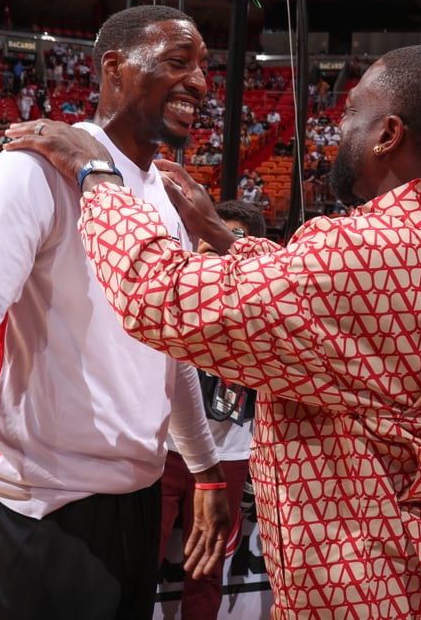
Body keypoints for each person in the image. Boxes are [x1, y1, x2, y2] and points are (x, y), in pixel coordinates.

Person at [5, 44, 421, 619]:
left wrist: (97, 177)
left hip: (370, 587)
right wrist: (220, 231)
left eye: (350, 112)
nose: (338, 126)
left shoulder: (367, 252)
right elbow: (333, 317)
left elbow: (160, 298)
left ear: (387, 134)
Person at [0, 5, 230, 620]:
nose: (200, 82)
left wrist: (203, 470)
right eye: (179, 62)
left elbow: (168, 350)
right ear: (115, 69)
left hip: (136, 502)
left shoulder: (164, 197)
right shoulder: (29, 172)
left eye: (204, 67)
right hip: (34, 509)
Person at [157, 200, 266, 619]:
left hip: (229, 456)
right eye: (210, 246)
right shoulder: (176, 294)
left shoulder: (261, 305)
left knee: (206, 571)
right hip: (168, 448)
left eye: (230, 247)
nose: (217, 261)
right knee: (138, 560)